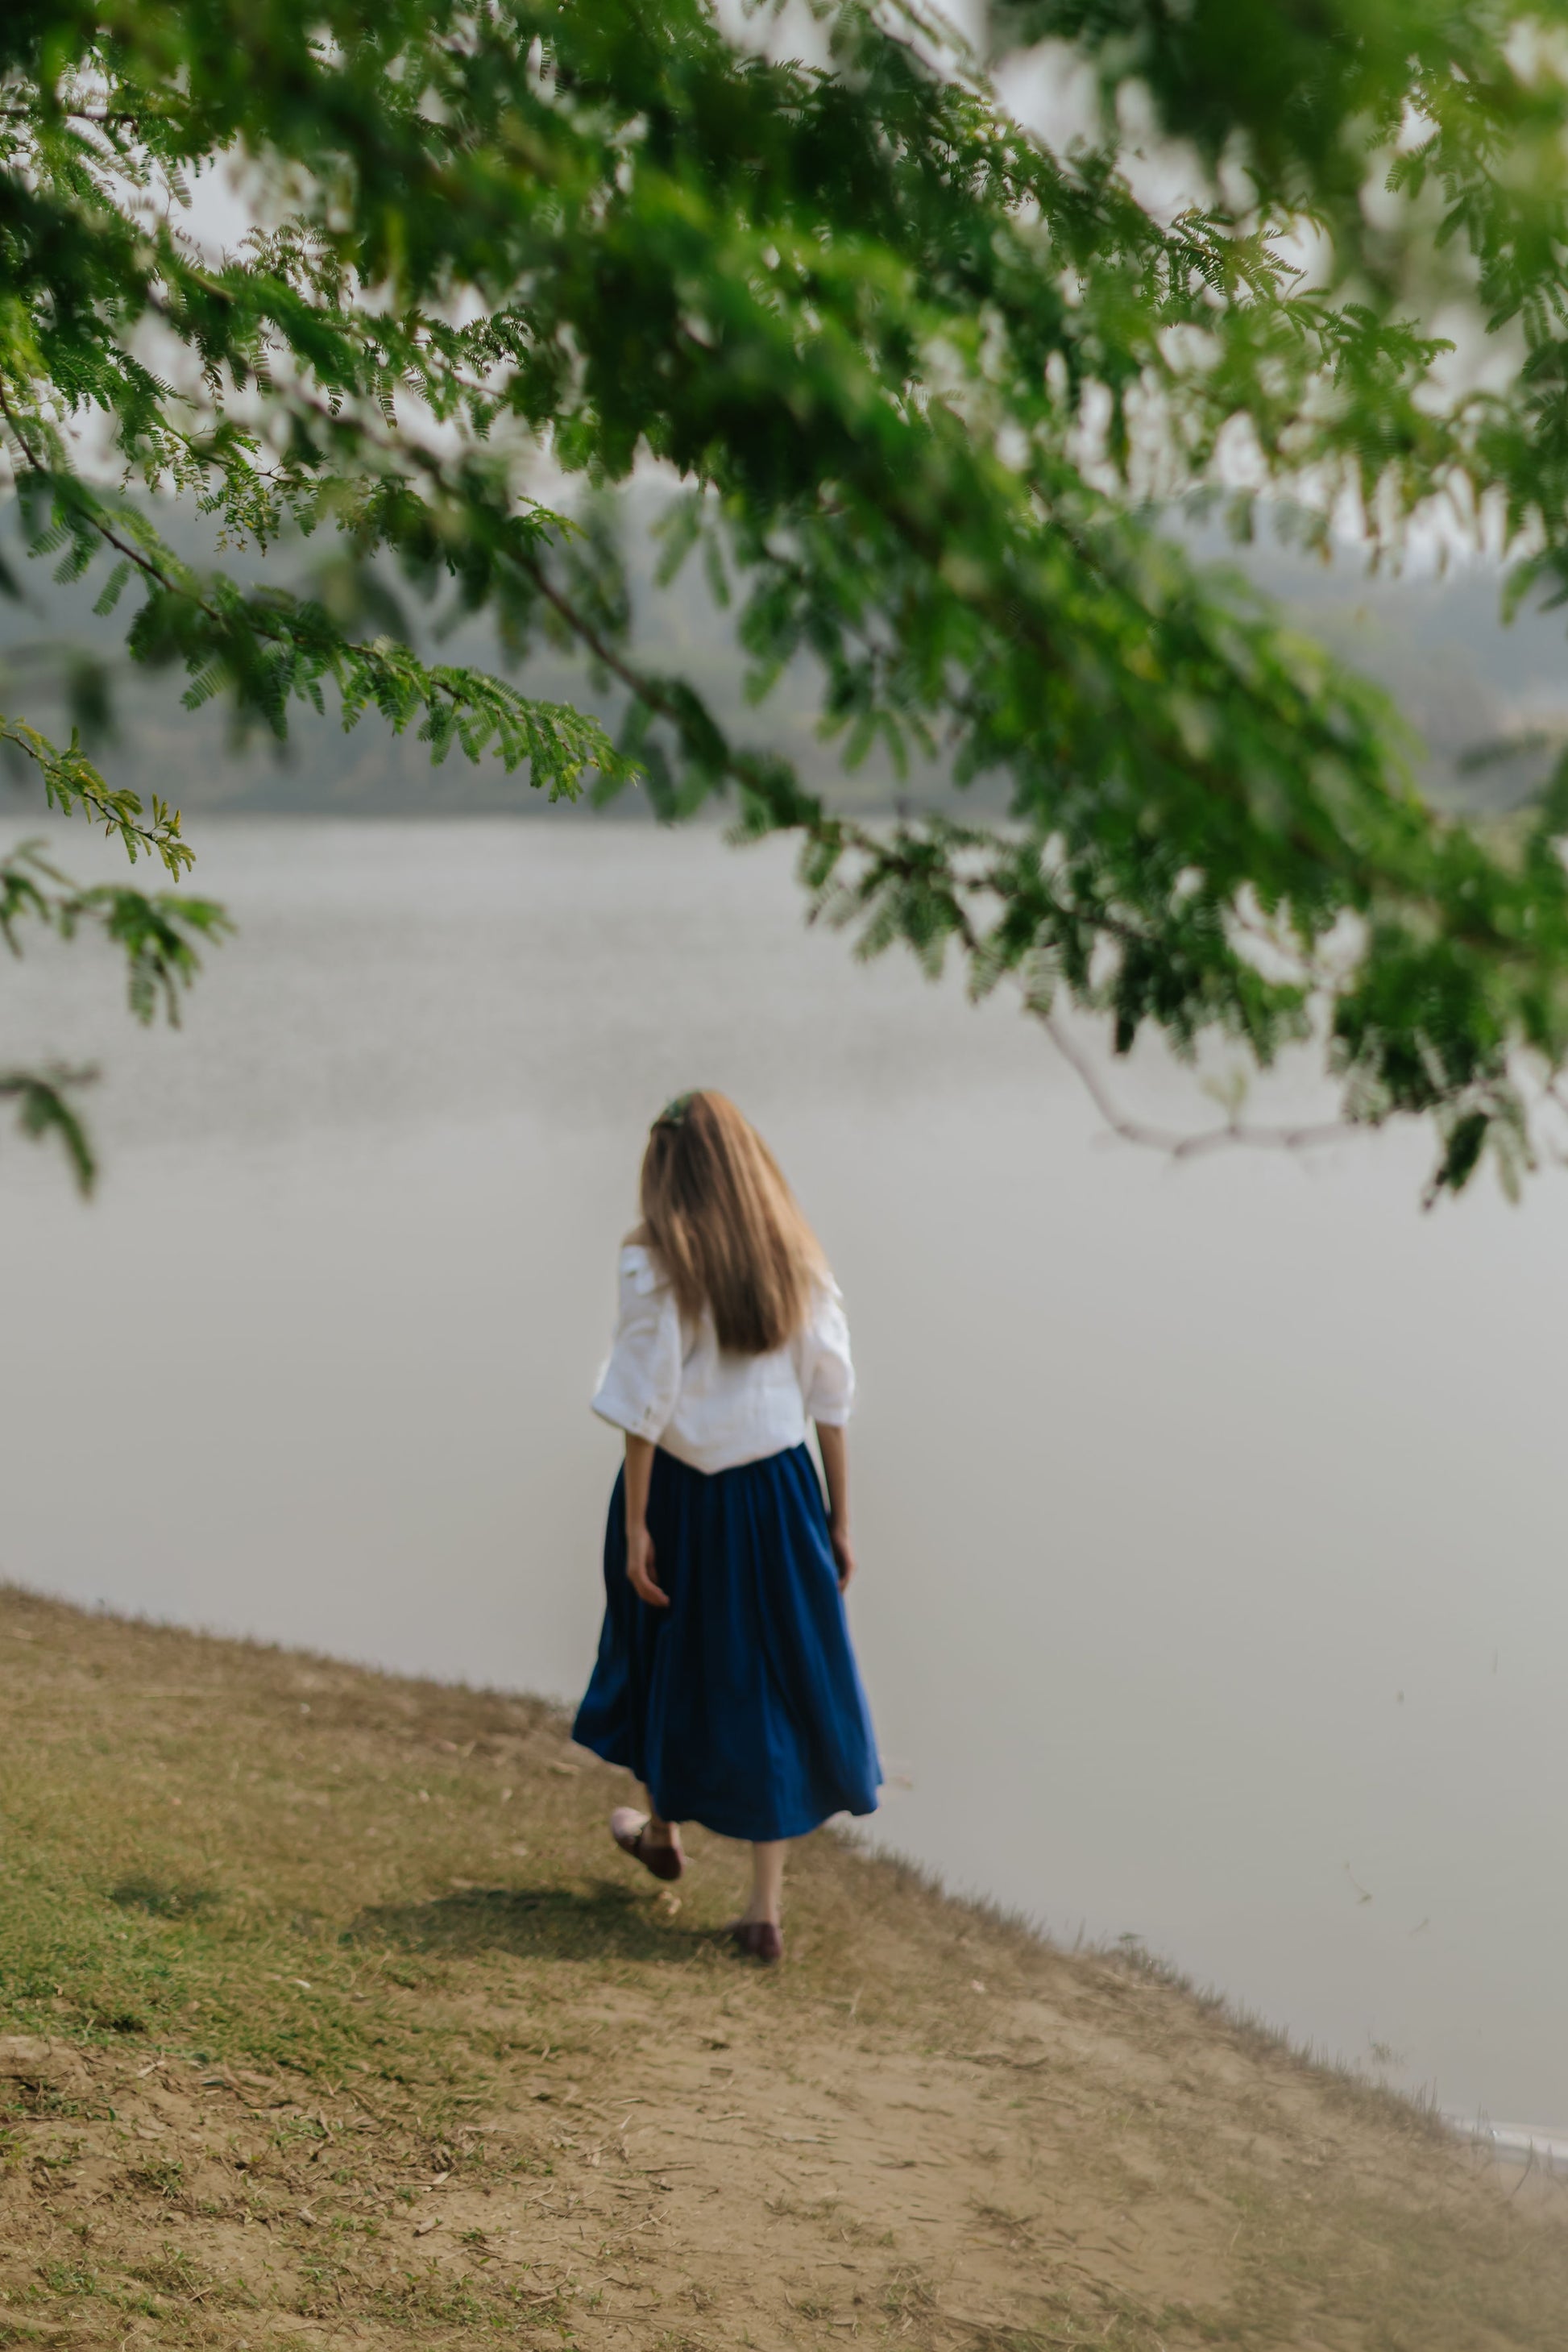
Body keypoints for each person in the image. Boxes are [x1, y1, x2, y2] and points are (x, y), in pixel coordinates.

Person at [572, 1090, 880, 1963]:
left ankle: (663, 1828)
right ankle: (763, 1911)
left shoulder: (654, 1264)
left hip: (680, 1488)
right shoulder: (796, 1261)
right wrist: (839, 1520)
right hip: (781, 1490)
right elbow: (832, 1398)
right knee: (771, 1680)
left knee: (667, 1649)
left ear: (666, 1174)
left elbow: (645, 1399)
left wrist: (636, 1524)